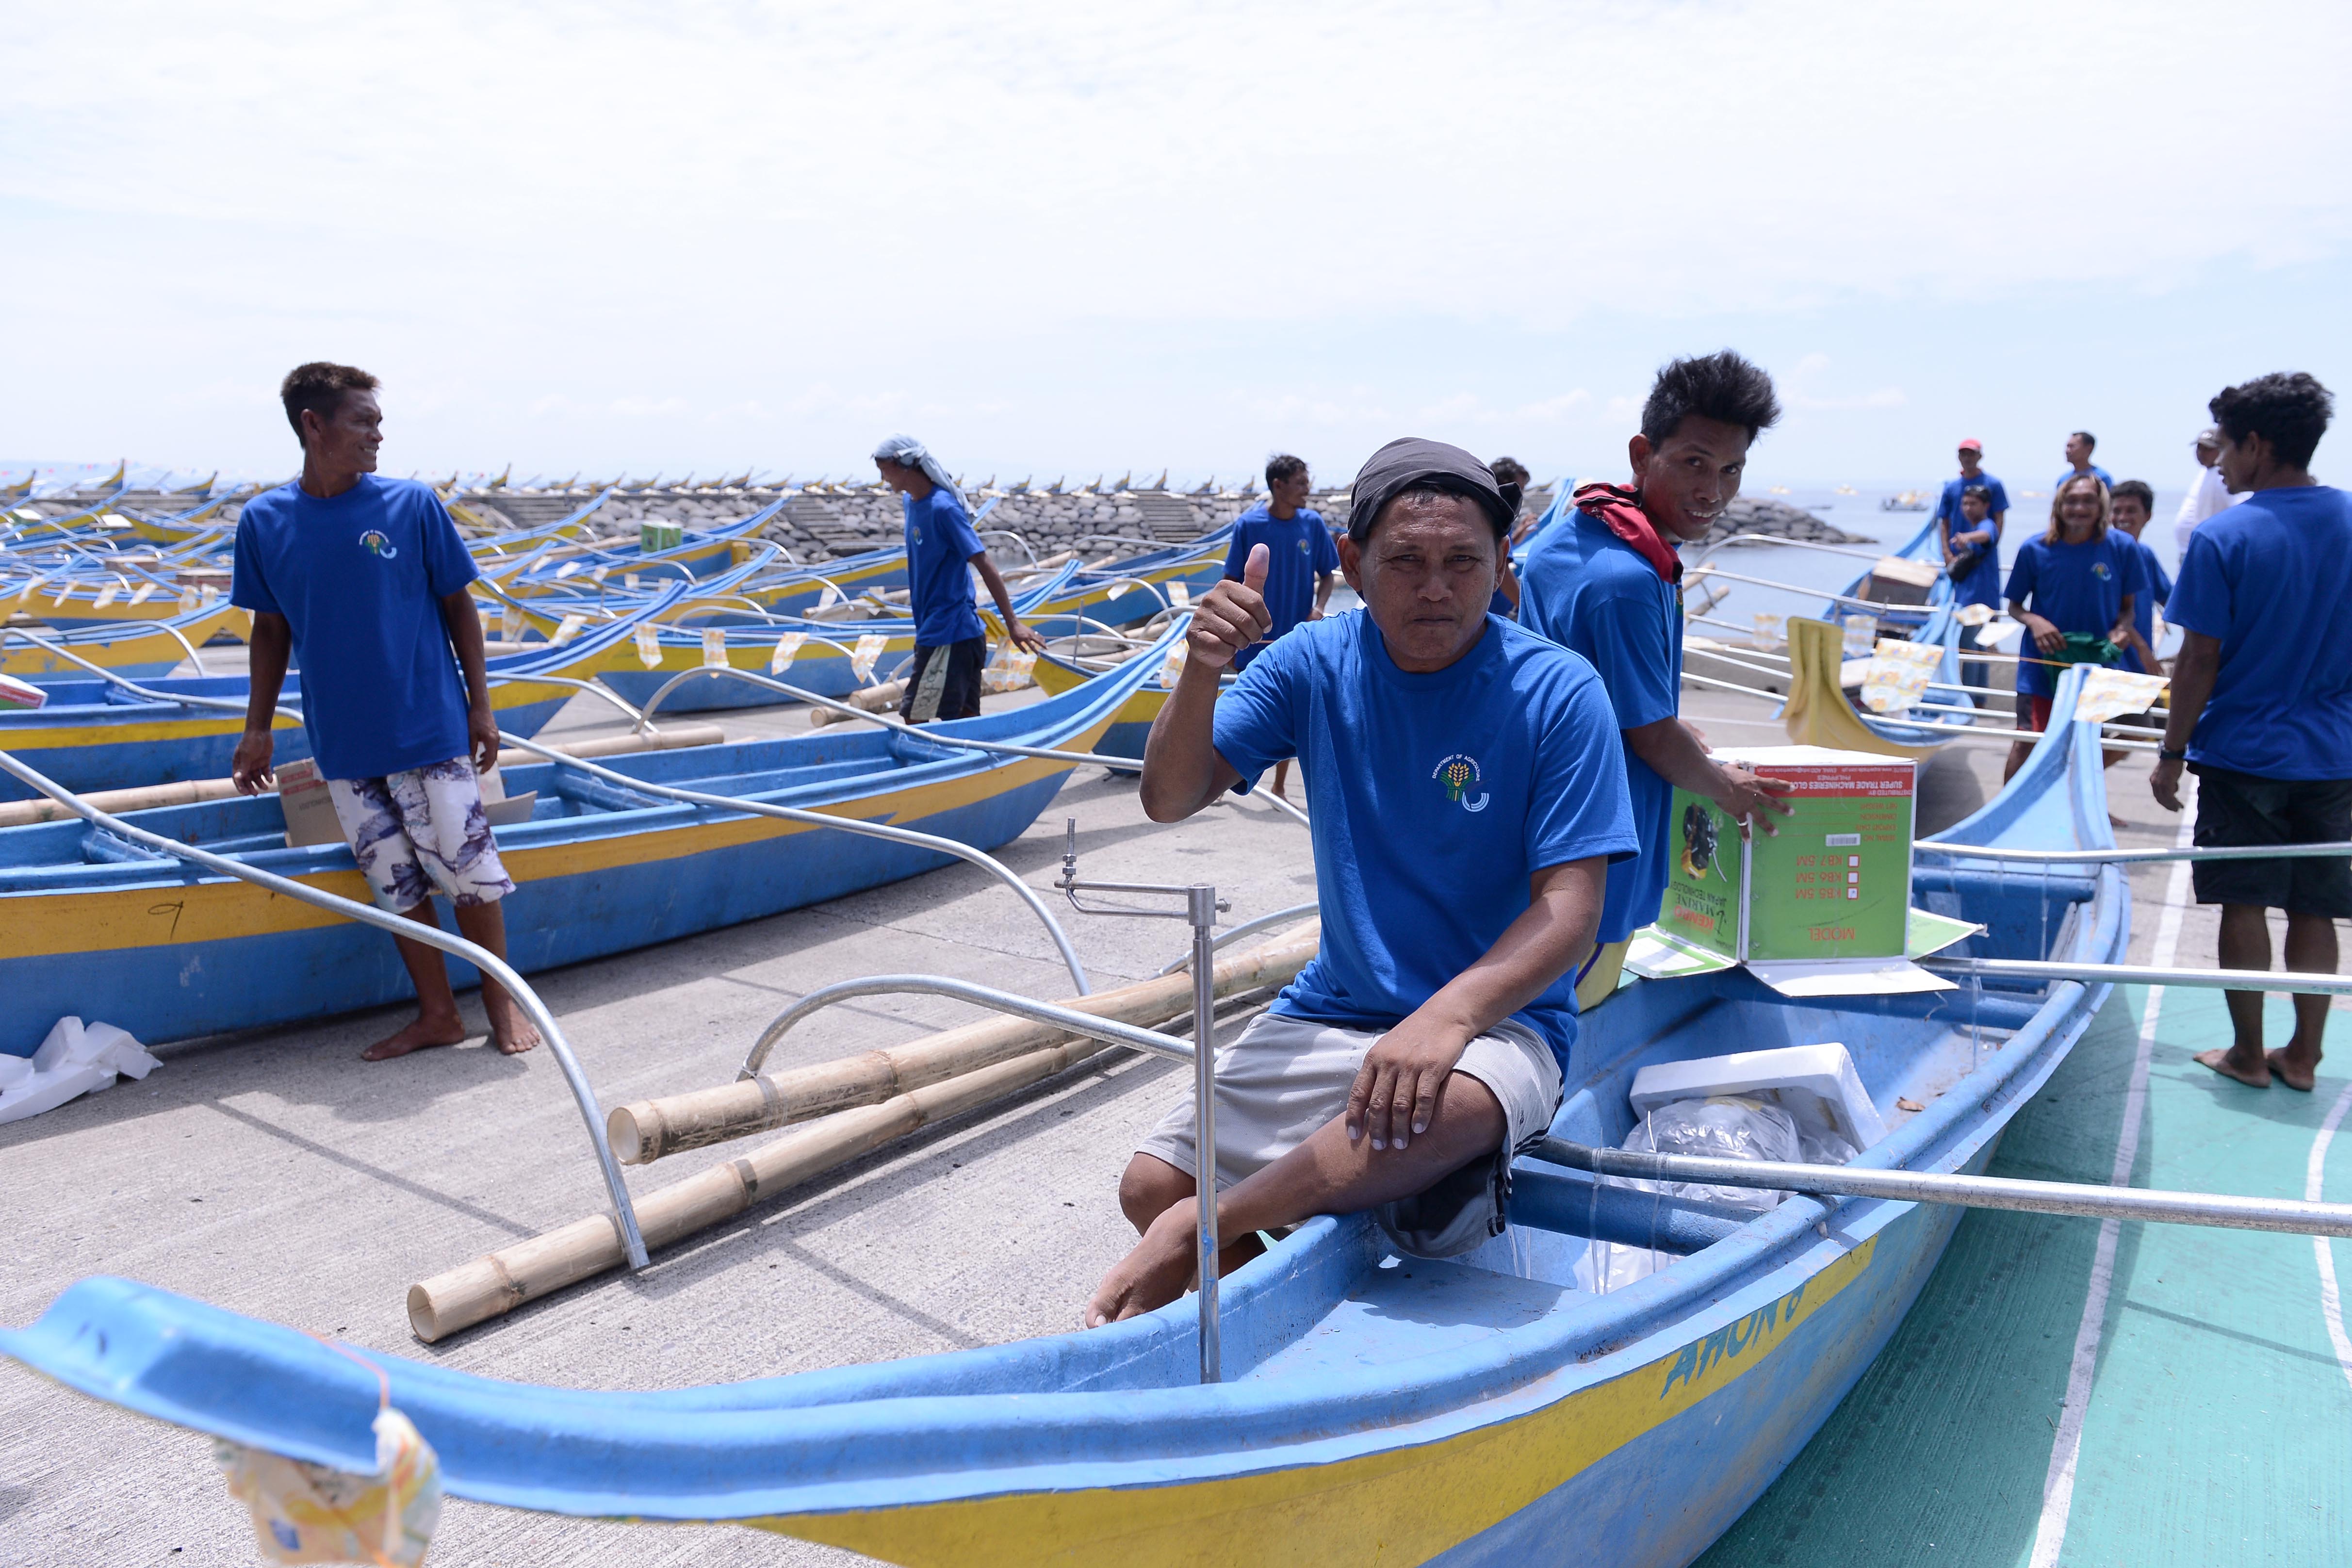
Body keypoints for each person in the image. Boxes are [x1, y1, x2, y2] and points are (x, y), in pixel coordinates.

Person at [1084, 439, 1636, 1326]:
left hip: (1497, 1021)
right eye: (1405, 562)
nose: (1435, 587)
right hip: (1337, 1004)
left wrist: (1446, 1017)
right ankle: (1270, 1287)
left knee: (1455, 1104)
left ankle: (1216, 1225)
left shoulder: (1558, 691)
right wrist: (1198, 669)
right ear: (1351, 565)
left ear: (1501, 564)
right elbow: (1168, 794)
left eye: (1463, 562)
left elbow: (1571, 909)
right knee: (1149, 1183)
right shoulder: (1312, 661)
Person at [229, 362, 538, 1062]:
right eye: (363, 421)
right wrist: (257, 730)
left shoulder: (412, 505)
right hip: (343, 741)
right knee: (394, 883)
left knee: (469, 872)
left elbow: (460, 603)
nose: (379, 434)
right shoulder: (264, 521)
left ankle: (500, 1004)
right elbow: (270, 629)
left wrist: (481, 708)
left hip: (428, 726)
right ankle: (438, 1015)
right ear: (315, 426)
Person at [1518, 351, 1795, 1005]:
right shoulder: (1630, 580)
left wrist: (1662, 719)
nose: (1713, 493)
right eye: (1694, 463)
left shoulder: (1573, 534)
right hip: (1592, 855)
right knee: (1562, 1018)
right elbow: (1651, 739)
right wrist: (1727, 790)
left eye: (1731, 470)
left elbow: (1594, 681)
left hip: (1533, 826)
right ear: (1643, 455)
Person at [2152, 372, 2351, 1092]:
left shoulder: (2222, 535)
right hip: (2333, 753)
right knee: (2316, 904)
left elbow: (2199, 658)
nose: (2220, 464)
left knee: (2244, 900)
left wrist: (2171, 754)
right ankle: (2303, 1057)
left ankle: (2246, 1053)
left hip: (2242, 753)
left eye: (2227, 448)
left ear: (2258, 445)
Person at [872, 435, 1045, 723]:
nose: (882, 478)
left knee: (916, 718)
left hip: (952, 633)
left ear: (904, 466)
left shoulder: (944, 509)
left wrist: (1012, 623)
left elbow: (985, 564)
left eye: (885, 470)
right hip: (935, 629)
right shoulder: (911, 503)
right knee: (963, 720)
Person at [2000, 474, 2143, 783]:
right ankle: (2006, 824)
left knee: (2086, 745)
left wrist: (2122, 631)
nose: (2079, 508)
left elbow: (2128, 609)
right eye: (2071, 501)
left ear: (2101, 505)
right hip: (2043, 663)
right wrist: (2035, 621)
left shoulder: (2122, 548)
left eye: (2088, 501)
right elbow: (2014, 606)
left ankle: (2073, 815)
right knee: (2027, 741)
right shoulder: (2034, 549)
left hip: (2094, 667)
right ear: (2059, 506)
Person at [1222, 455, 1339, 799]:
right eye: (1301, 483)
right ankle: (1224, 781)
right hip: (1251, 637)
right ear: (1279, 485)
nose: (1308, 489)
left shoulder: (1313, 524)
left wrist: (1318, 609)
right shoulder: (1248, 525)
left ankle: (1278, 787)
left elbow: (1329, 576)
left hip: (1295, 637)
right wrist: (1231, 633)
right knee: (1246, 708)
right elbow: (1230, 581)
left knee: (1292, 708)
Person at [2173, 426, 2240, 556]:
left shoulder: (2223, 477)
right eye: (2199, 448)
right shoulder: (2206, 472)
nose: (2201, 453)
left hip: (2208, 551)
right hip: (2192, 550)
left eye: (2208, 449)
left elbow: (2237, 508)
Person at [2055, 429, 2115, 493]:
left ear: (2089, 449)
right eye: (2067, 447)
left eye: (2072, 447)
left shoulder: (2102, 478)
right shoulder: (2063, 480)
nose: (2068, 451)